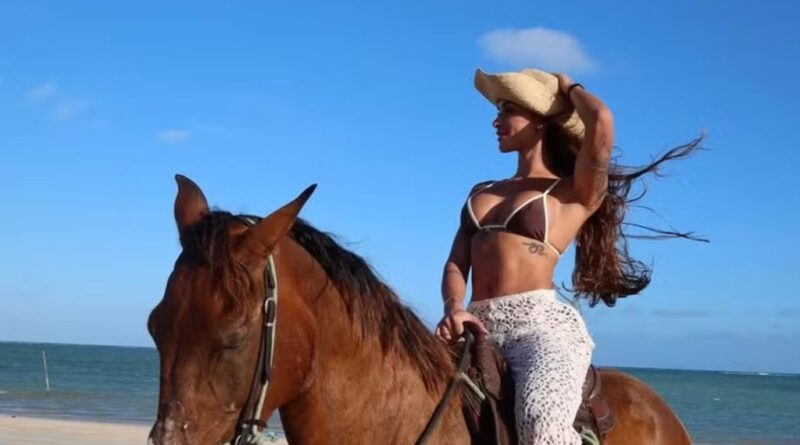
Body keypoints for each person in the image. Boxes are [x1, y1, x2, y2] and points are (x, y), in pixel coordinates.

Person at [435, 68, 701, 444]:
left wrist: (567, 88)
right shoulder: (481, 191)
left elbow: (601, 123)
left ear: (541, 120)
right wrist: (454, 307)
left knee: (540, 420)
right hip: (476, 325)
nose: (496, 121)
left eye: (508, 110)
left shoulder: (573, 192)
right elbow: (456, 264)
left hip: (538, 328)